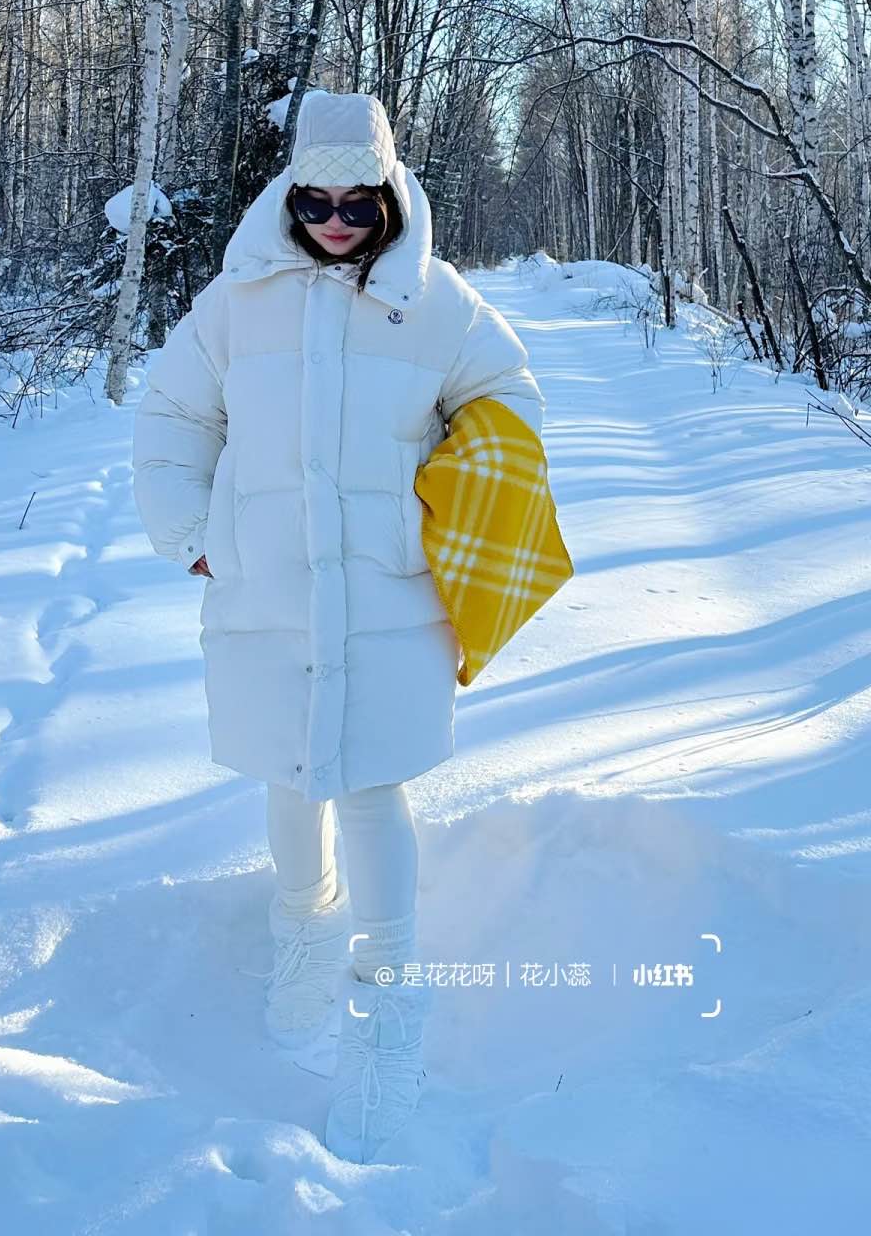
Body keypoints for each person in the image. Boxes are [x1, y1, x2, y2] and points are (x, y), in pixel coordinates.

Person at [130, 88, 544, 1165]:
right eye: (314, 201)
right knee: (288, 768)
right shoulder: (237, 301)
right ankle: (302, 929)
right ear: (288, 196)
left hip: (388, 595)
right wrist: (193, 533)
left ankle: (388, 1006)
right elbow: (174, 414)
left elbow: (509, 401)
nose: (335, 221)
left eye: (359, 203)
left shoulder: (439, 304)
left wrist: (457, 493)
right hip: (265, 585)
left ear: (391, 197)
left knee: (369, 783)